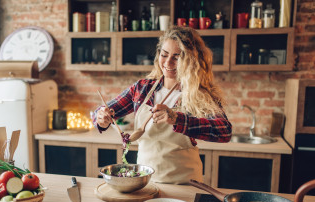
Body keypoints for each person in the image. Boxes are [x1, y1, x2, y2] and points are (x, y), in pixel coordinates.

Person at [92, 26, 232, 184]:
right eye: (164, 55)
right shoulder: (142, 88)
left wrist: (177, 120)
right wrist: (101, 118)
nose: (168, 62)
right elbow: (101, 112)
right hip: (145, 180)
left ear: (191, 60)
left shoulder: (199, 94)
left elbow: (224, 131)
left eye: (177, 57)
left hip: (185, 183)